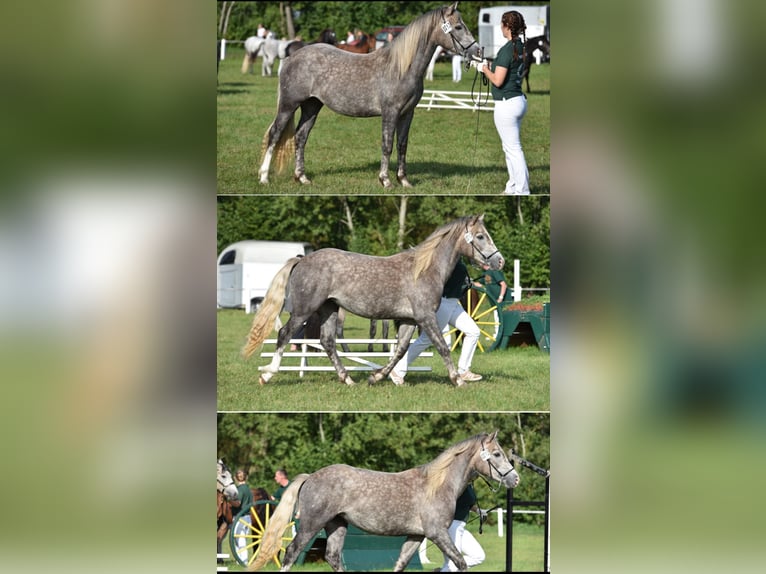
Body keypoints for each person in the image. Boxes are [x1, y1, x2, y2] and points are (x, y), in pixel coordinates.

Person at [389, 259, 482, 385]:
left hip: (454, 303)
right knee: (426, 339)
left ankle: (464, 370)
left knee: (473, 331)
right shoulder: (447, 259)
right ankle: (397, 370)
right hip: (444, 302)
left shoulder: (458, 258)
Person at [471, 10, 530, 196]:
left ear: (506, 26)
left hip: (507, 104)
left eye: (501, 24)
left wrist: (483, 69)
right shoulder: (519, 46)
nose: (500, 27)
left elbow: (497, 80)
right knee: (509, 147)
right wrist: (489, 65)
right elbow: (505, 69)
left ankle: (522, 189)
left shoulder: (506, 49)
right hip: (518, 100)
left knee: (513, 149)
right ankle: (512, 186)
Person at [440, 483, 487, 572]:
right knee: (453, 564)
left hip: (460, 527)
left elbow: (469, 504)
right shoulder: (457, 482)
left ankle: (444, 570)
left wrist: (478, 511)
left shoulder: (469, 486)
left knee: (478, 556)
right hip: (451, 524)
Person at [231, 469, 254, 564]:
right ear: (246, 477)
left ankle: (243, 561)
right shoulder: (248, 489)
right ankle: (239, 560)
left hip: (240, 517)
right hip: (248, 517)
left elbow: (237, 503)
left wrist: (229, 500)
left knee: (240, 540)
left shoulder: (240, 489)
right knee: (240, 539)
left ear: (236, 478)